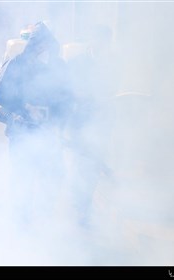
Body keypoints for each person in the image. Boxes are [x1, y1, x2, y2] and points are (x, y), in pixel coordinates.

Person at [0, 21, 74, 224]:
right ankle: (21, 221)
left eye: (47, 45)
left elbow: (67, 97)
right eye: (39, 45)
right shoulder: (18, 63)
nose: (43, 50)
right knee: (22, 177)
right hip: (21, 131)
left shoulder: (58, 66)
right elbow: (0, 92)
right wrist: (24, 107)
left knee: (53, 176)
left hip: (49, 132)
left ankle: (45, 219)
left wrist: (55, 117)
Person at [65, 24, 121, 227]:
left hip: (102, 122)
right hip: (80, 122)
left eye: (106, 40)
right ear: (92, 40)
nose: (103, 44)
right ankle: (81, 207)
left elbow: (114, 89)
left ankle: (84, 205)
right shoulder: (77, 63)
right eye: (99, 39)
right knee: (81, 165)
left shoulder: (112, 63)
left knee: (94, 165)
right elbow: (68, 90)